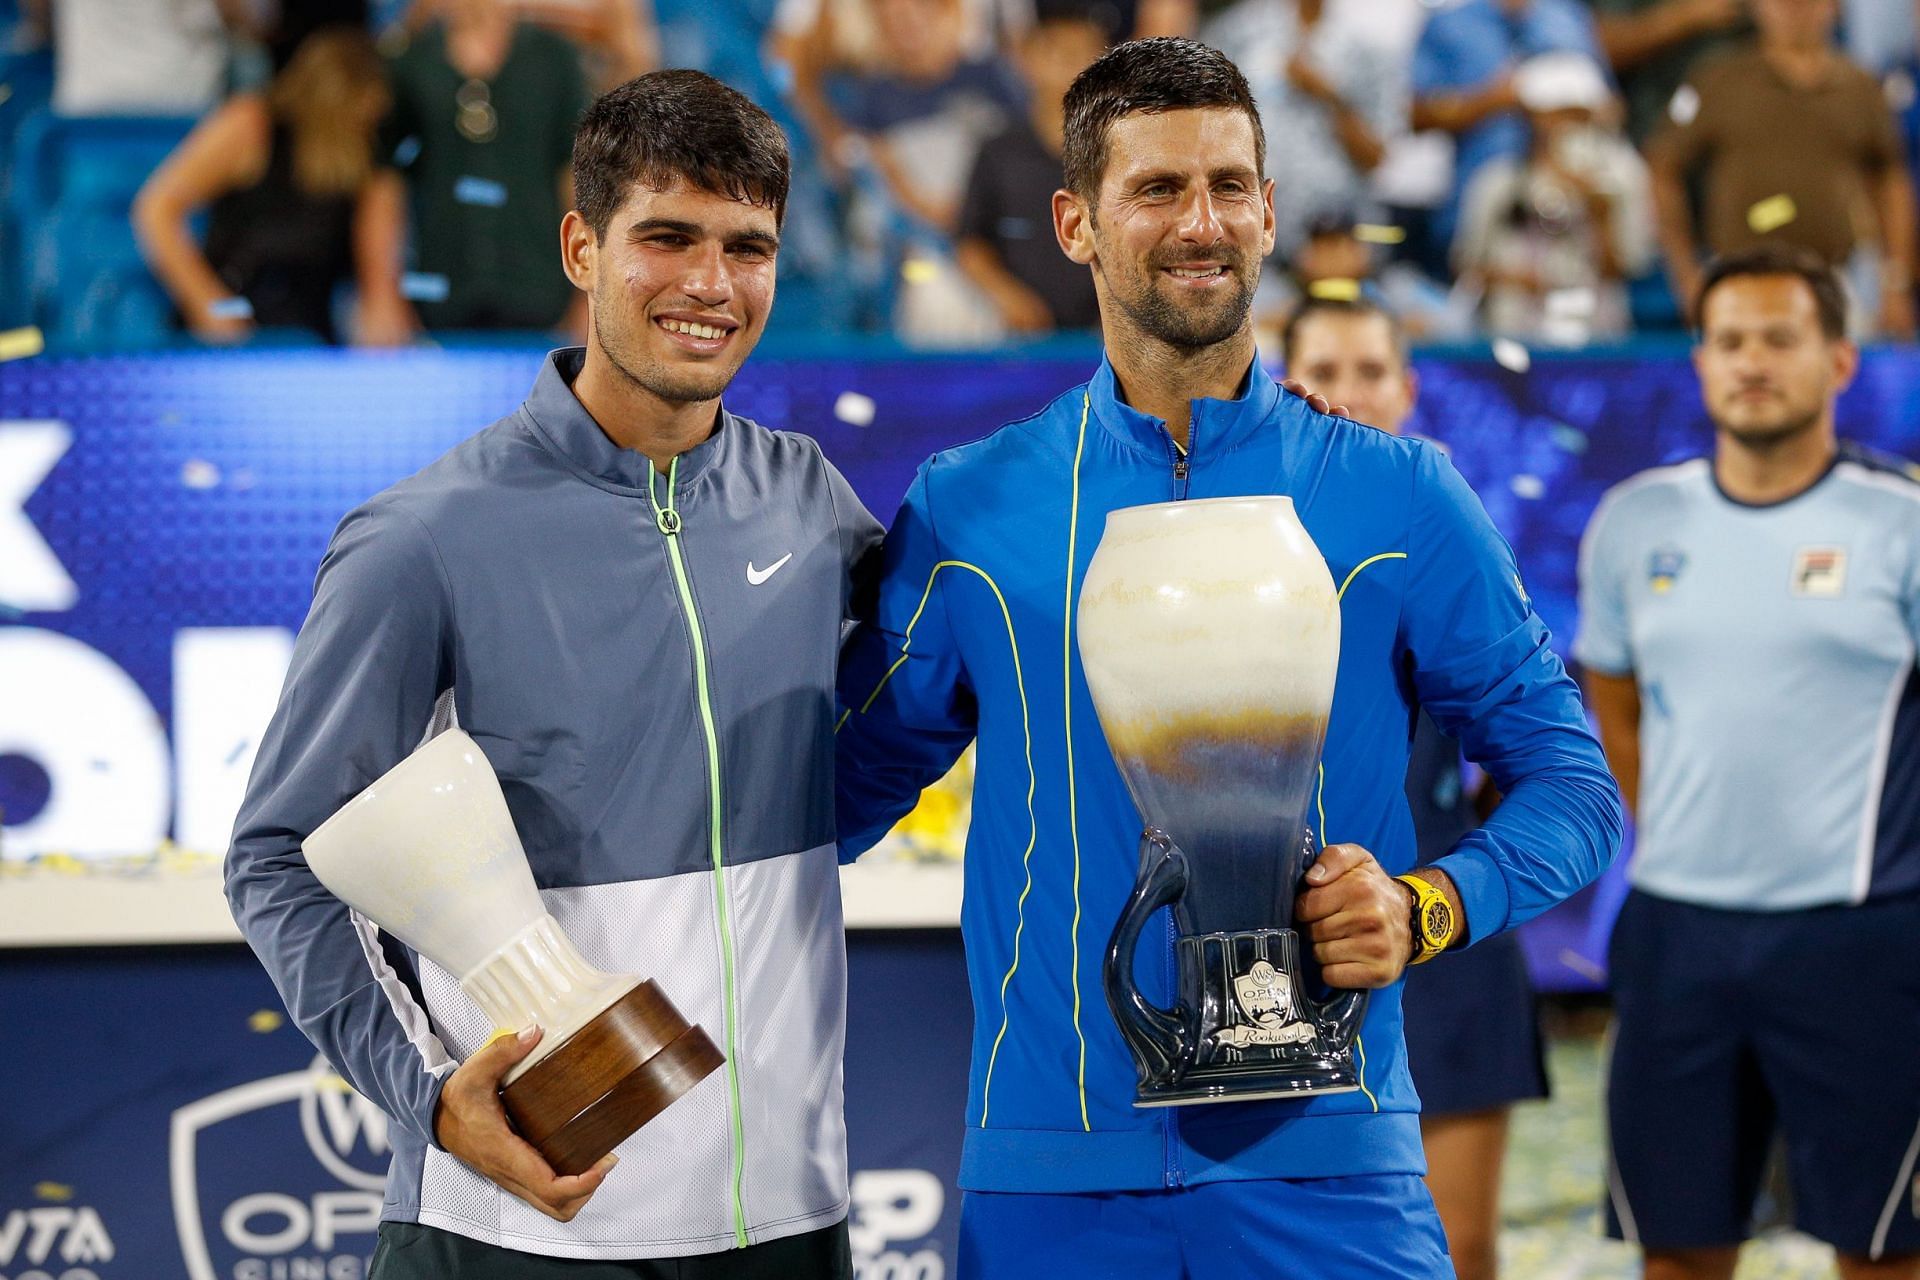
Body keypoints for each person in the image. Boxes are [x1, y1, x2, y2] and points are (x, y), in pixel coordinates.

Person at [835, 36, 1622, 1280]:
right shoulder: (968, 511)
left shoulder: (1398, 494)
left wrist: (1428, 903)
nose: (1200, 221)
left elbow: (1575, 787)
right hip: (1053, 1176)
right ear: (1075, 222)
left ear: (1267, 212)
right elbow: (820, 799)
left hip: (1331, 1168)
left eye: (1230, 186)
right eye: (1156, 188)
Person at [227, 70, 879, 1276]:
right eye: (667, 237)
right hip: (519, 1225)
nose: (710, 285)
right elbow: (276, 857)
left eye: (749, 247)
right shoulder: (425, 535)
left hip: (789, 1219)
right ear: (582, 247)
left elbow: (913, 712)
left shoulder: (809, 501)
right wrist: (428, 1097)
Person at [1576, 244, 1920, 1280]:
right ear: (1701, 360)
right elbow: (1617, 708)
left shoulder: (1901, 521)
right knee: (1678, 1251)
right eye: (1730, 341)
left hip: (1864, 941)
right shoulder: (1635, 522)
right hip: (1678, 936)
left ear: (1840, 361)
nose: (1752, 362)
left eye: (1780, 338)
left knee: (1882, 1250)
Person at [1279, 294, 1550, 1280]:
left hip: (1441, 936)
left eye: (1370, 370)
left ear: (1407, 388)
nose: (1348, 392)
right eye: (1326, 368)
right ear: (1287, 380)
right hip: (1290, 945)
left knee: (1458, 1246)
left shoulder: (1453, 540)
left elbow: (1536, 758)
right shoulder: (1241, 544)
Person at [1646, 0, 1916, 337]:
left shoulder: (1861, 86)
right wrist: (1685, 275)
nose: (1795, 7)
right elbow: (1663, 167)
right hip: (1738, 282)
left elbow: (1890, 181)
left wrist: (1894, 282)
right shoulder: (1718, 79)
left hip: (1834, 282)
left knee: (1839, 381)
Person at [133, 28, 414, 346]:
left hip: (308, 345)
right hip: (231, 334)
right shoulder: (252, 123)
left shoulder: (369, 166)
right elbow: (157, 208)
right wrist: (205, 302)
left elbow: (380, 283)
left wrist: (382, 317)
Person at [383, 0, 590, 334]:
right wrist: (381, 291)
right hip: (437, 290)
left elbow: (577, 177)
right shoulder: (410, 63)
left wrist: (589, 291)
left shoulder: (555, 59)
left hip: (539, 285)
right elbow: (385, 184)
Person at [954, 5, 1109, 335]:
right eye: (1058, 51)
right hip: (1011, 328)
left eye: (1085, 54)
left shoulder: (1121, 153)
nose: (1072, 64)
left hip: (1107, 330)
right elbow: (971, 244)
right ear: (1027, 60)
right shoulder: (999, 152)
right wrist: (1008, 297)